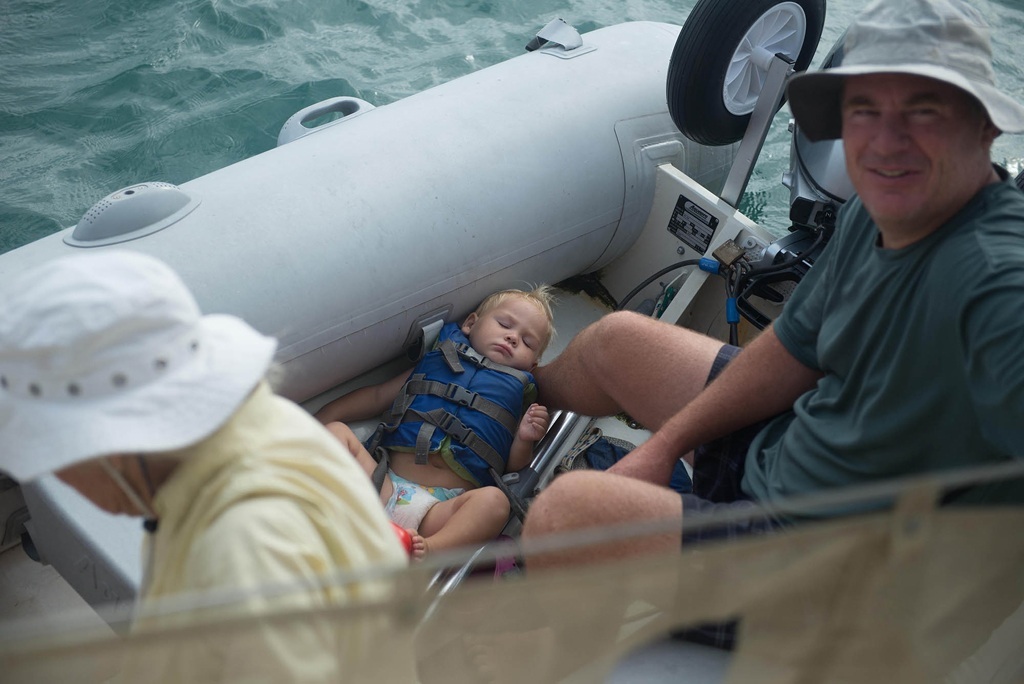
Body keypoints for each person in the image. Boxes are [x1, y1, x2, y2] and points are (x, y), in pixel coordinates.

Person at [522, 0, 1024, 568]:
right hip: (791, 446)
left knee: (569, 514)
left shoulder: (999, 287)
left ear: (984, 125)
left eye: (923, 112)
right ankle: (485, 416)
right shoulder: (877, 211)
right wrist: (662, 449)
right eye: (865, 110)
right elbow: (794, 349)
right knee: (611, 345)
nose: (886, 142)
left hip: (820, 567)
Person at [0, 251, 413, 681]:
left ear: (117, 447)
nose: (61, 478)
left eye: (59, 457)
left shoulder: (245, 552)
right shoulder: (268, 425)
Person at [316, 286, 555, 558]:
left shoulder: (516, 399)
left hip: (438, 512)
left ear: (532, 365)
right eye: (504, 324)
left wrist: (525, 438)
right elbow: (377, 396)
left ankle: (429, 550)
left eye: (527, 342)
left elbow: (512, 466)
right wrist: (320, 419)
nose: (512, 338)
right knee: (336, 432)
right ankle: (323, 503)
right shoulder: (437, 361)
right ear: (470, 323)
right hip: (384, 484)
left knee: (495, 501)